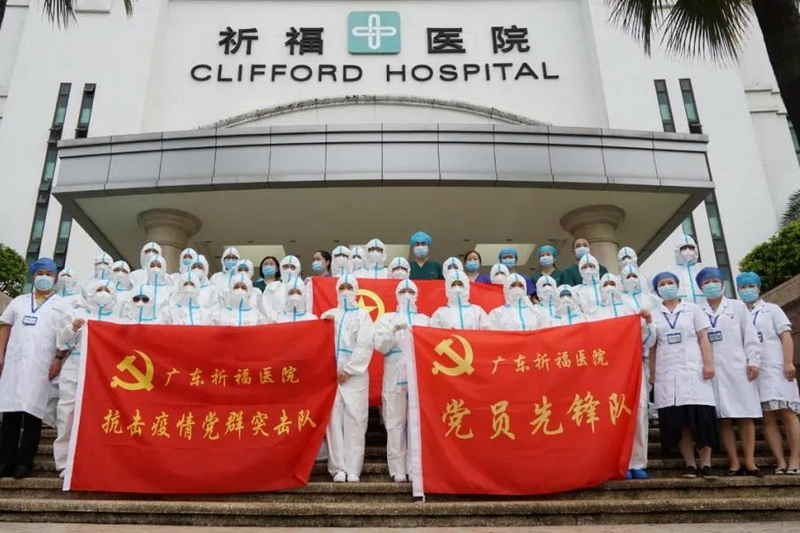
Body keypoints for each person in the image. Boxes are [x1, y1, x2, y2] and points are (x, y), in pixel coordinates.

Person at [0, 258, 70, 479]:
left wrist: (59, 358)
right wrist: (0, 353)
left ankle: (24, 462)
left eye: (49, 274)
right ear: (33, 276)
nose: (44, 278)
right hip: (15, 364)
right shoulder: (19, 302)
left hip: (42, 366)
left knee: (33, 415)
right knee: (10, 415)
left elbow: (67, 335)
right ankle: (6, 462)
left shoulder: (62, 305)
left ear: (55, 278)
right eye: (40, 273)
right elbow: (5, 326)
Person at [695, 267, 763, 476]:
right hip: (712, 371)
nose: (711, 285)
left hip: (739, 367)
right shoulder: (697, 310)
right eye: (706, 283)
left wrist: (754, 361)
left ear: (723, 283)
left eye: (715, 281)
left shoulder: (737, 307)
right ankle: (734, 462)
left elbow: (750, 336)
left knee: (746, 415)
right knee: (722, 417)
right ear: (700, 287)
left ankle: (750, 462)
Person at [650, 271, 718, 479]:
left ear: (677, 285)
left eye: (670, 282)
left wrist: (708, 362)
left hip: (694, 370)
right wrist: (652, 373)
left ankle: (706, 464)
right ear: (657, 290)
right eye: (662, 284)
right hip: (667, 373)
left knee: (702, 419)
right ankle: (690, 464)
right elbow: (652, 346)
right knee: (680, 423)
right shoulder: (654, 313)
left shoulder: (692, 309)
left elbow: (703, 337)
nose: (667, 286)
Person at [590, 274, 657, 479]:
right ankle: (613, 462)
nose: (609, 287)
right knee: (607, 416)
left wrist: (648, 322)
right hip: (604, 371)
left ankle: (637, 462)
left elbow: (648, 340)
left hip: (631, 368)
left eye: (613, 283)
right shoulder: (594, 314)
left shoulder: (631, 312)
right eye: (605, 284)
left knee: (637, 412)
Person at [53, 280, 122, 476]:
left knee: (102, 415)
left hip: (105, 372)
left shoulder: (118, 320)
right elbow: (62, 343)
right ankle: (65, 463)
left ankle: (100, 460)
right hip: (76, 367)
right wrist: (72, 329)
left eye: (107, 290)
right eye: (99, 289)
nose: (103, 293)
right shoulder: (78, 315)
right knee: (67, 413)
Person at [737, 272, 800, 475]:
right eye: (742, 287)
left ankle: (795, 459)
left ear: (758, 288)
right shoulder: (738, 313)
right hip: (754, 372)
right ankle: (780, 461)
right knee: (767, 417)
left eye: (750, 286)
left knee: (787, 412)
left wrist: (788, 362)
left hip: (777, 367)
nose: (747, 290)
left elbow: (786, 336)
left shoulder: (772, 309)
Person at [374, 279, 430, 482]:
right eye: (403, 290)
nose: (407, 294)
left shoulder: (425, 319)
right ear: (397, 294)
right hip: (394, 373)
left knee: (416, 421)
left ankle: (414, 467)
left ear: (416, 295)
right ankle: (397, 468)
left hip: (418, 373)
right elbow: (380, 346)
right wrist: (392, 330)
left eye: (410, 291)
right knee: (394, 421)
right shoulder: (386, 318)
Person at [321, 275, 375, 483]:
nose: (345, 291)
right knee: (334, 421)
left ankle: (353, 468)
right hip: (331, 376)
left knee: (356, 420)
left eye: (349, 287)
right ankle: (337, 468)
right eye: (341, 287)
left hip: (355, 376)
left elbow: (365, 344)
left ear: (356, 290)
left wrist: (349, 369)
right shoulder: (329, 314)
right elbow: (319, 342)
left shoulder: (363, 315)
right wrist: (331, 368)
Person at [668, 234, 706, 305]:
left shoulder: (703, 268)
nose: (688, 250)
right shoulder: (671, 271)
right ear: (678, 250)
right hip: (681, 308)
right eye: (684, 248)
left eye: (691, 248)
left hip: (703, 308)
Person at [574, 254, 604, 319]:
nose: (588, 269)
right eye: (584, 267)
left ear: (597, 267)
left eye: (591, 266)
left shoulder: (605, 286)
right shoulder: (576, 290)